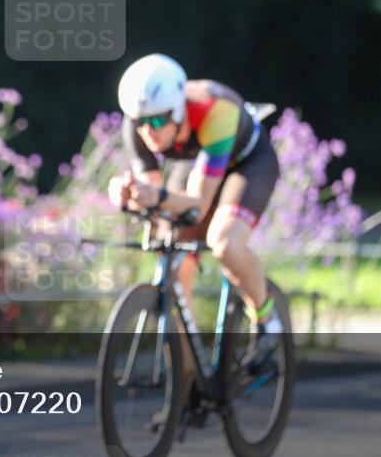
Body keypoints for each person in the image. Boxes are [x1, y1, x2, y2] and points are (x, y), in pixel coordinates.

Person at [107, 53, 281, 369]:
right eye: (140, 122)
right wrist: (129, 195)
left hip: (247, 164)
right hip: (198, 164)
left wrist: (158, 196)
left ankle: (266, 321)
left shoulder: (217, 112)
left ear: (177, 111)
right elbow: (155, 195)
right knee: (173, 270)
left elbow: (198, 205)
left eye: (158, 121)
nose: (148, 131)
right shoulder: (140, 122)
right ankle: (187, 384)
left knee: (225, 242)